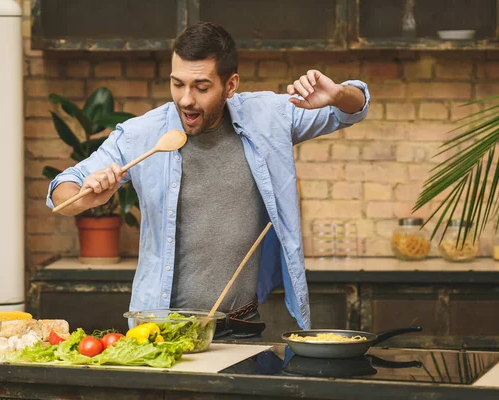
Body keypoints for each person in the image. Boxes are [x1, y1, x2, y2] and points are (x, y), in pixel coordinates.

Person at [46, 21, 370, 339]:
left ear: (230, 85)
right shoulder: (141, 135)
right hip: (162, 334)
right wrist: (88, 195)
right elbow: (62, 191)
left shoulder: (269, 117)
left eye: (201, 87)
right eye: (177, 84)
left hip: (242, 327)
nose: (186, 99)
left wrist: (339, 93)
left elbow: (351, 110)